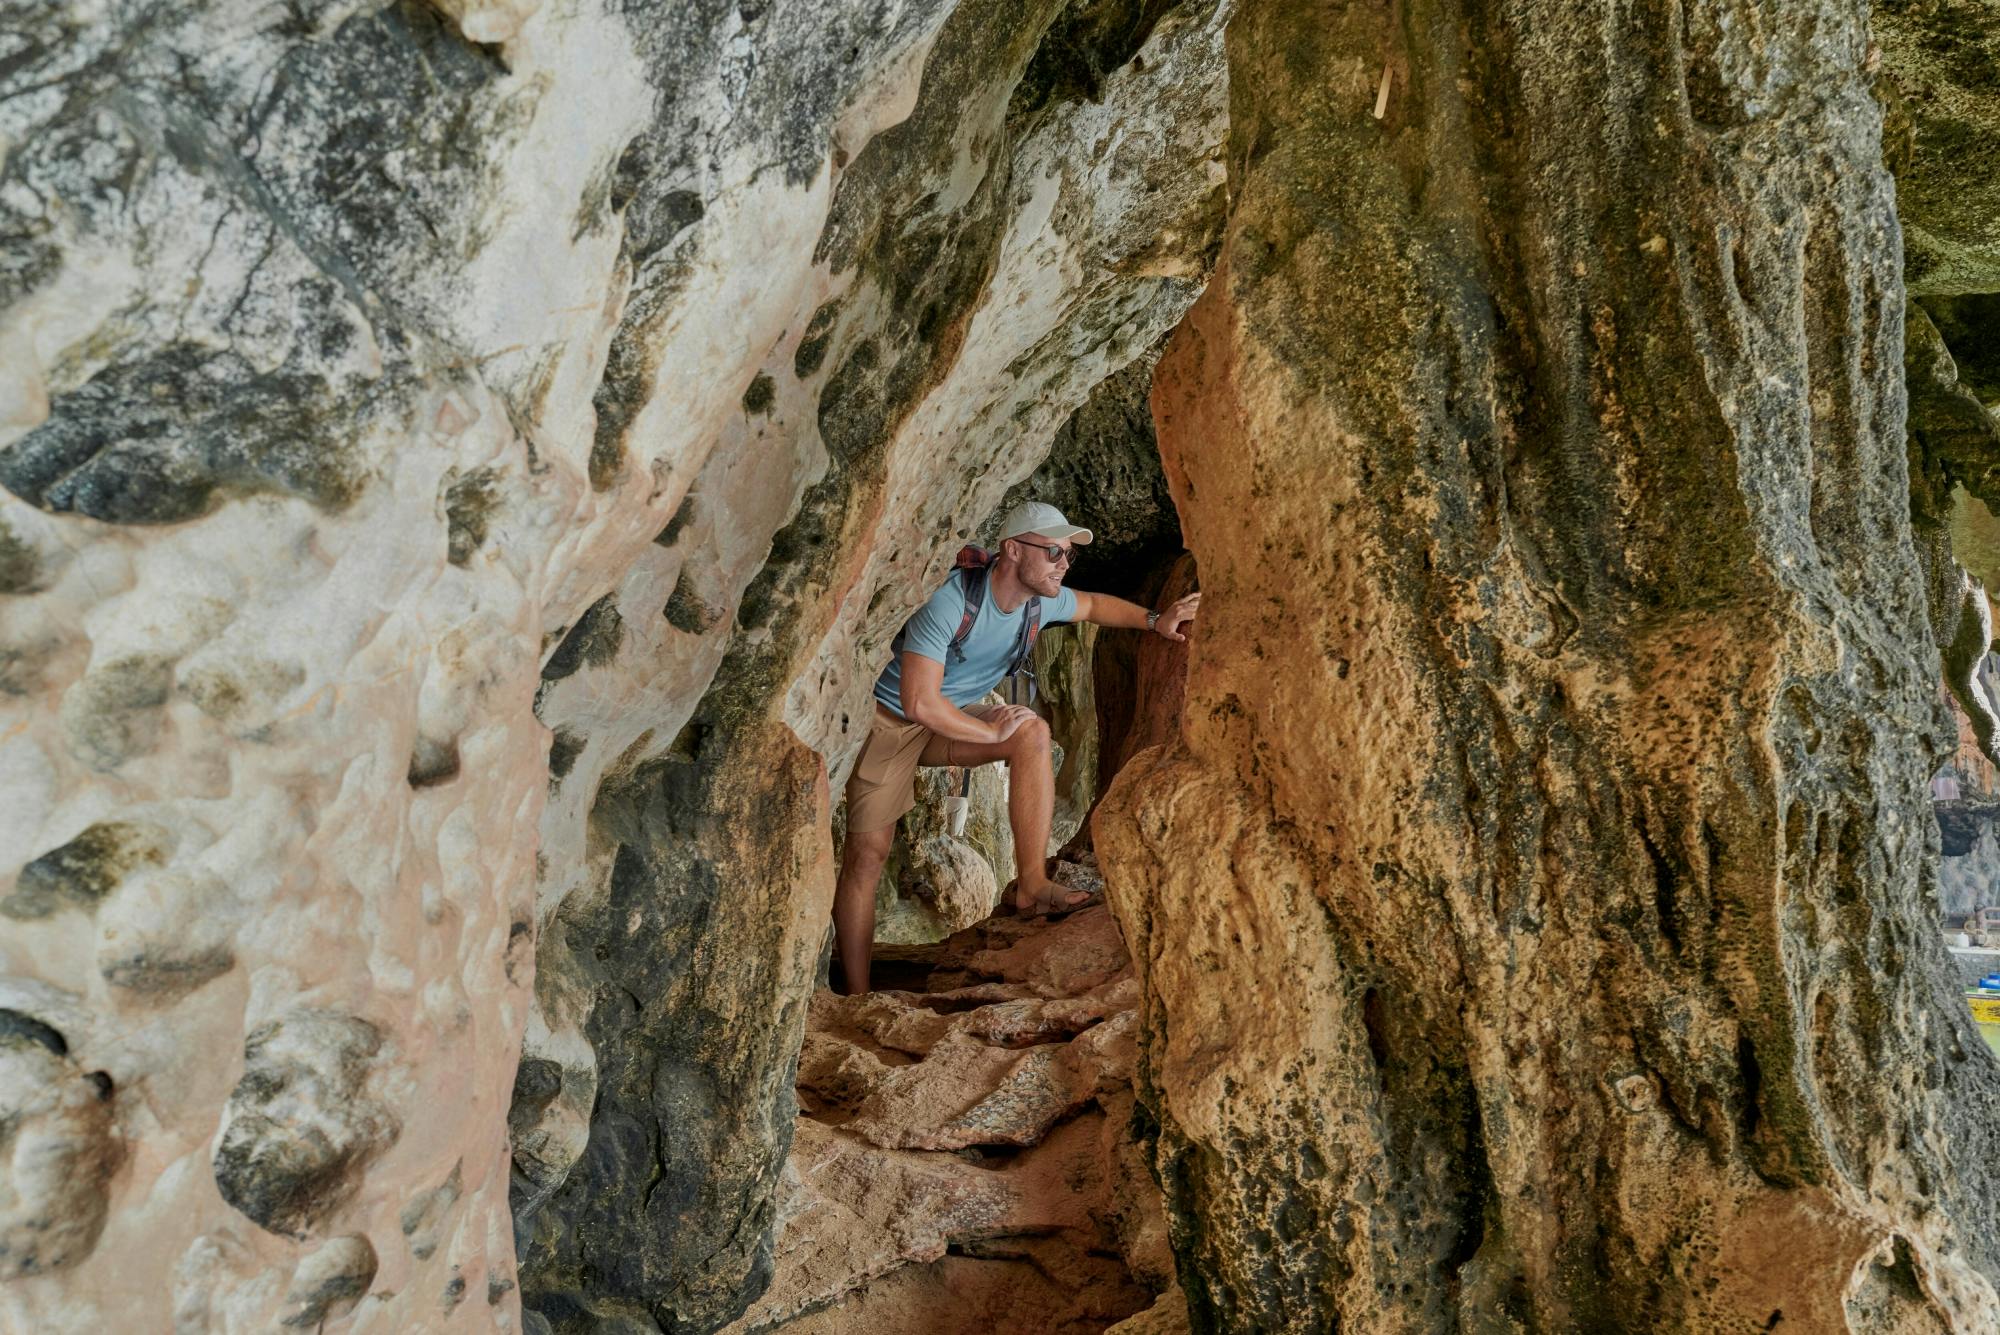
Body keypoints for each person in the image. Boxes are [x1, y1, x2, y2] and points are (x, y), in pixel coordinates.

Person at [833, 501, 1200, 994]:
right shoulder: (950, 601)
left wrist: (1156, 620)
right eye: (1053, 552)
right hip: (893, 721)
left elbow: (1092, 605)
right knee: (868, 854)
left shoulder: (1038, 602)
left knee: (1032, 733)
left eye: (1068, 555)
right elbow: (918, 700)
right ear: (1011, 550)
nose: (1063, 565)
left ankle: (1032, 885)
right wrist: (987, 733)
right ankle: (855, 994)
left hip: (952, 717)